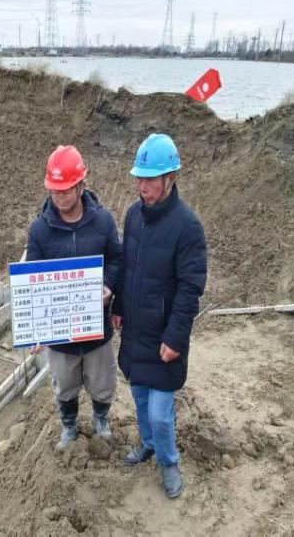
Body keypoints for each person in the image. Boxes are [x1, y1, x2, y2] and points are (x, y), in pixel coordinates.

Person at [111, 133, 207, 499]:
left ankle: (168, 461)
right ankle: (148, 445)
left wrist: (175, 337)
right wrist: (118, 307)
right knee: (139, 397)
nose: (142, 186)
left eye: (150, 179)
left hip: (164, 336)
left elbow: (190, 289)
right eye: (139, 178)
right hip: (136, 331)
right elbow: (127, 268)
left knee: (160, 413)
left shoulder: (187, 227)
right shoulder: (133, 216)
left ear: (170, 178)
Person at [26, 145, 123, 450]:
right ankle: (69, 426)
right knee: (64, 385)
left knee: (102, 382)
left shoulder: (103, 221)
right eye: (55, 190)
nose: (61, 196)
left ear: (81, 184)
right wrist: (36, 328)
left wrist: (108, 285)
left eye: (67, 189)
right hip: (60, 335)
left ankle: (101, 419)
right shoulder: (40, 230)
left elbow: (116, 259)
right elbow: (31, 280)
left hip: (96, 328)